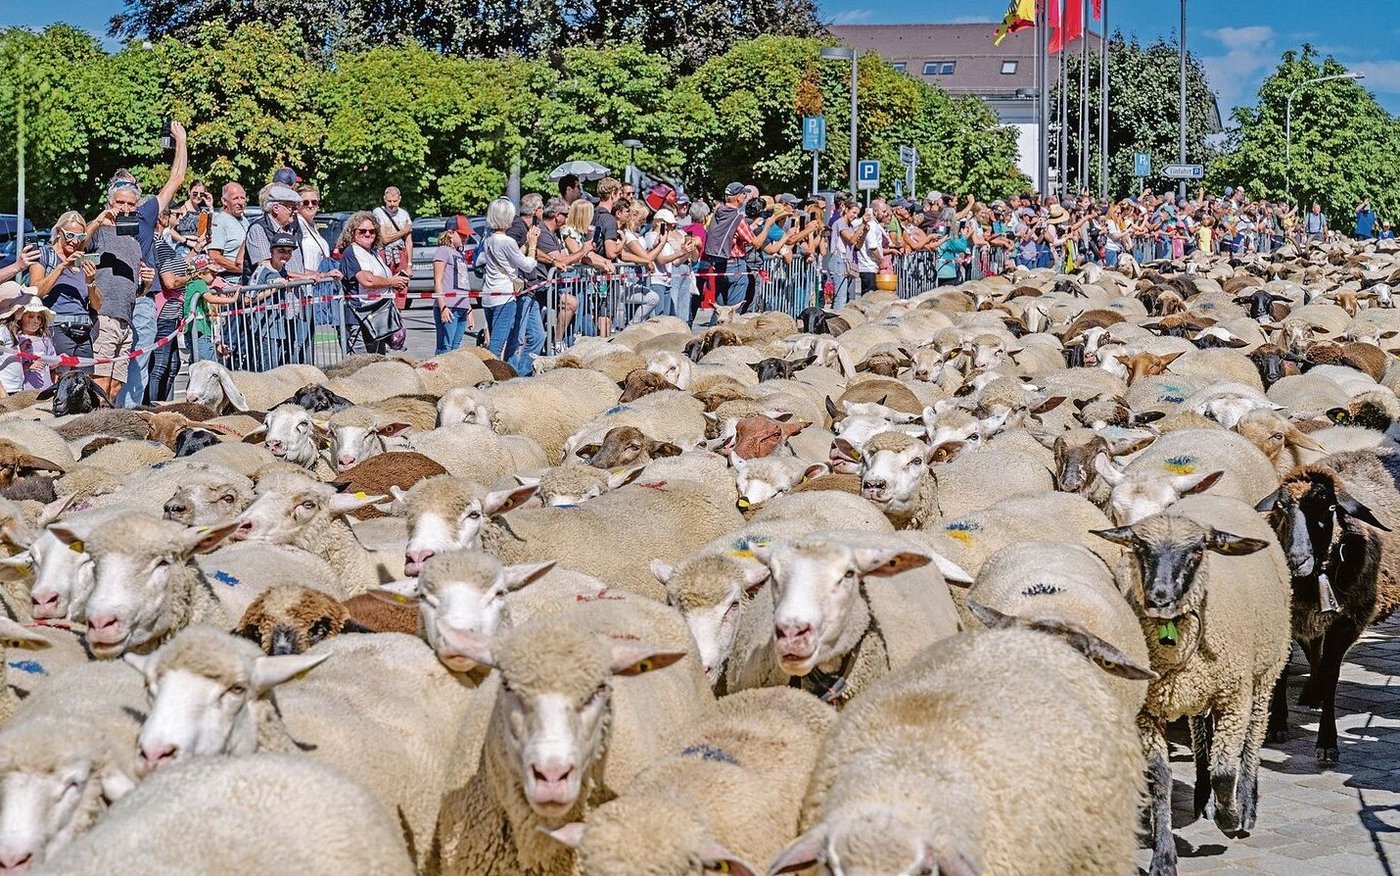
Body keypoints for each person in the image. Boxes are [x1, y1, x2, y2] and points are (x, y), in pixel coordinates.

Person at [89, 179, 157, 402]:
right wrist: (98, 221)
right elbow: (77, 246)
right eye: (120, 203)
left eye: (131, 204)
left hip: (126, 321)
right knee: (100, 383)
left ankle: (108, 421)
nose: (125, 208)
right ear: (110, 203)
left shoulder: (134, 243)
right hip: (103, 316)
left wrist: (146, 284)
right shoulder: (98, 231)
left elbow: (135, 291)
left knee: (115, 387)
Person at [30, 211, 101, 375]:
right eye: (70, 235)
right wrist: (62, 267)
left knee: (84, 383)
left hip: (83, 332)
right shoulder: (44, 255)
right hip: (56, 329)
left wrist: (90, 281)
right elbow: (36, 291)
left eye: (80, 237)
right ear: (58, 231)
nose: (75, 241)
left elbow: (97, 305)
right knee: (60, 382)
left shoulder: (82, 259)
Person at [481, 198, 543, 375]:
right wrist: (533, 245)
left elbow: (510, 258)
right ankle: (492, 377)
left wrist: (526, 245)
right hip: (504, 297)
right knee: (497, 346)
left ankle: (496, 374)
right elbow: (528, 265)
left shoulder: (489, 240)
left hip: (489, 295)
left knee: (495, 342)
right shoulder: (506, 241)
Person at [338, 212, 408, 355]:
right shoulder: (352, 252)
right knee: (361, 364)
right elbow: (367, 280)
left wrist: (395, 282)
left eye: (372, 231)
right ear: (352, 232)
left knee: (378, 362)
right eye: (362, 231)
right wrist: (390, 282)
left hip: (378, 317)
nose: (367, 234)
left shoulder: (373, 253)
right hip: (360, 318)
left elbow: (380, 279)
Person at [149, 208, 198, 401]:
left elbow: (178, 266)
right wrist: (193, 276)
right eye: (175, 214)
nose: (179, 217)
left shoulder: (163, 243)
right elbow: (170, 281)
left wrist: (197, 249)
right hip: (165, 314)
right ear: (161, 218)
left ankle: (162, 405)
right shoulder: (157, 244)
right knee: (160, 366)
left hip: (172, 313)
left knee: (173, 365)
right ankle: (153, 407)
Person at [246, 233, 299, 369]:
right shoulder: (262, 270)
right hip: (264, 327)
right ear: (272, 251)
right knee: (268, 367)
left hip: (279, 325)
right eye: (281, 251)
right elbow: (248, 299)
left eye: (289, 252)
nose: (285, 255)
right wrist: (273, 289)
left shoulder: (282, 269)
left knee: (277, 367)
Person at [432, 224, 475, 355]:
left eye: (467, 235)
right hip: (449, 306)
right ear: (450, 233)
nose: (465, 237)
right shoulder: (443, 251)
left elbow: (464, 283)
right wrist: (443, 307)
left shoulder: (460, 254)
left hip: (462, 306)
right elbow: (437, 280)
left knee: (455, 348)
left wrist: (469, 309)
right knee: (445, 347)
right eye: (462, 234)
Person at [183, 256, 236, 364]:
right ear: (200, 273)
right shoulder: (198, 283)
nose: (215, 277)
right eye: (212, 274)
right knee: (206, 364)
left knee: (204, 361)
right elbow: (210, 298)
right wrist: (232, 299)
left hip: (202, 330)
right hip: (199, 330)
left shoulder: (196, 284)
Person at [209, 182, 249, 279]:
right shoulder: (219, 222)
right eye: (236, 198)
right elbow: (214, 256)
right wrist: (240, 269)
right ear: (224, 201)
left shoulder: (244, 220)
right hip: (231, 280)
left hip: (247, 278)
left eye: (242, 198)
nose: (240, 202)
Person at [374, 187, 413, 283]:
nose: (392, 204)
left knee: (402, 284)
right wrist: (404, 231)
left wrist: (409, 265)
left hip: (400, 253)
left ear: (399, 199)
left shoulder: (404, 214)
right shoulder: (378, 212)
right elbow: (385, 239)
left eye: (394, 201)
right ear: (384, 199)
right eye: (389, 201)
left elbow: (408, 242)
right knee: (384, 284)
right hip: (383, 253)